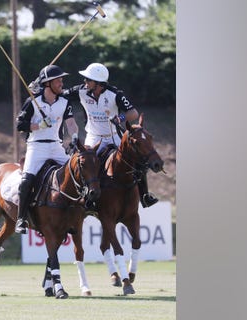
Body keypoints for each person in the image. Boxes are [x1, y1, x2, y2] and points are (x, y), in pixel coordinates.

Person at [63, 62, 158, 208]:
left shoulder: (115, 94)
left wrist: (120, 119)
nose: (85, 82)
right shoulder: (80, 91)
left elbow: (133, 113)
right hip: (93, 136)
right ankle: (83, 198)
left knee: (137, 162)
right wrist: (39, 87)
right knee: (84, 162)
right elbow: (60, 94)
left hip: (114, 135)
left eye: (88, 79)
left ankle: (145, 196)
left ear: (98, 83)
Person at [14, 65, 79, 234]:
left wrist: (74, 137)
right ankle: (21, 219)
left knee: (77, 172)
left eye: (61, 80)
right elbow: (20, 125)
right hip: (37, 147)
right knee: (26, 180)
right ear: (48, 83)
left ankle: (76, 213)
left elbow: (71, 123)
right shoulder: (33, 101)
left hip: (56, 146)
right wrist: (38, 125)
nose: (61, 83)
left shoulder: (65, 102)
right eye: (58, 80)